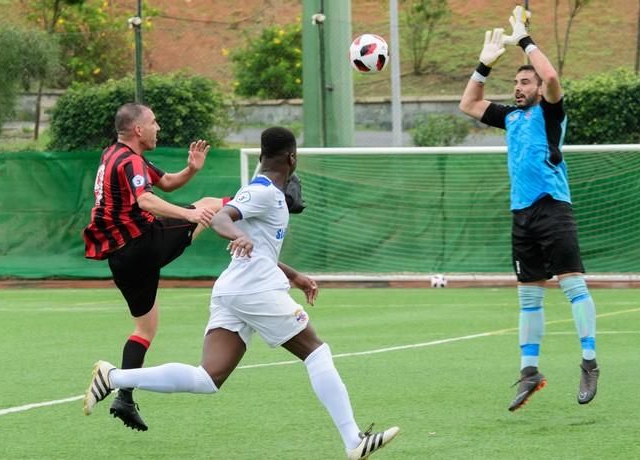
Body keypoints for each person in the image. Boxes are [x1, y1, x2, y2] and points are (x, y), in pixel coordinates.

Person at [83, 126, 399, 459]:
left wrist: (295, 275)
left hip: (236, 289)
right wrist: (236, 233)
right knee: (317, 353)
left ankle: (113, 376)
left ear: (262, 156)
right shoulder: (261, 191)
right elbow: (221, 217)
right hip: (255, 291)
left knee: (208, 377)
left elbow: (259, 248)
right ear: (292, 158)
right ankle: (353, 441)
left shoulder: (268, 193)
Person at [459, 6, 599, 411]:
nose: (519, 87)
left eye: (525, 81)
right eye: (516, 81)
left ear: (538, 88)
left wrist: (523, 39)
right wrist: (484, 65)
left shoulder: (550, 112)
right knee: (528, 299)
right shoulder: (512, 117)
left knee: (573, 286)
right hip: (521, 215)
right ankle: (529, 372)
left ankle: (589, 362)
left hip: (553, 209)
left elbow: (552, 77)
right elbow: (469, 104)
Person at [83, 102, 226, 431]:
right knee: (208, 205)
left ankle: (124, 396)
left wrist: (192, 169)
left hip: (121, 260)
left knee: (145, 329)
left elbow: (167, 182)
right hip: (141, 245)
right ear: (138, 130)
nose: (157, 127)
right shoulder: (129, 160)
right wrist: (189, 214)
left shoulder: (114, 155)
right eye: (154, 122)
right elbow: (145, 200)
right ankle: (277, 200)